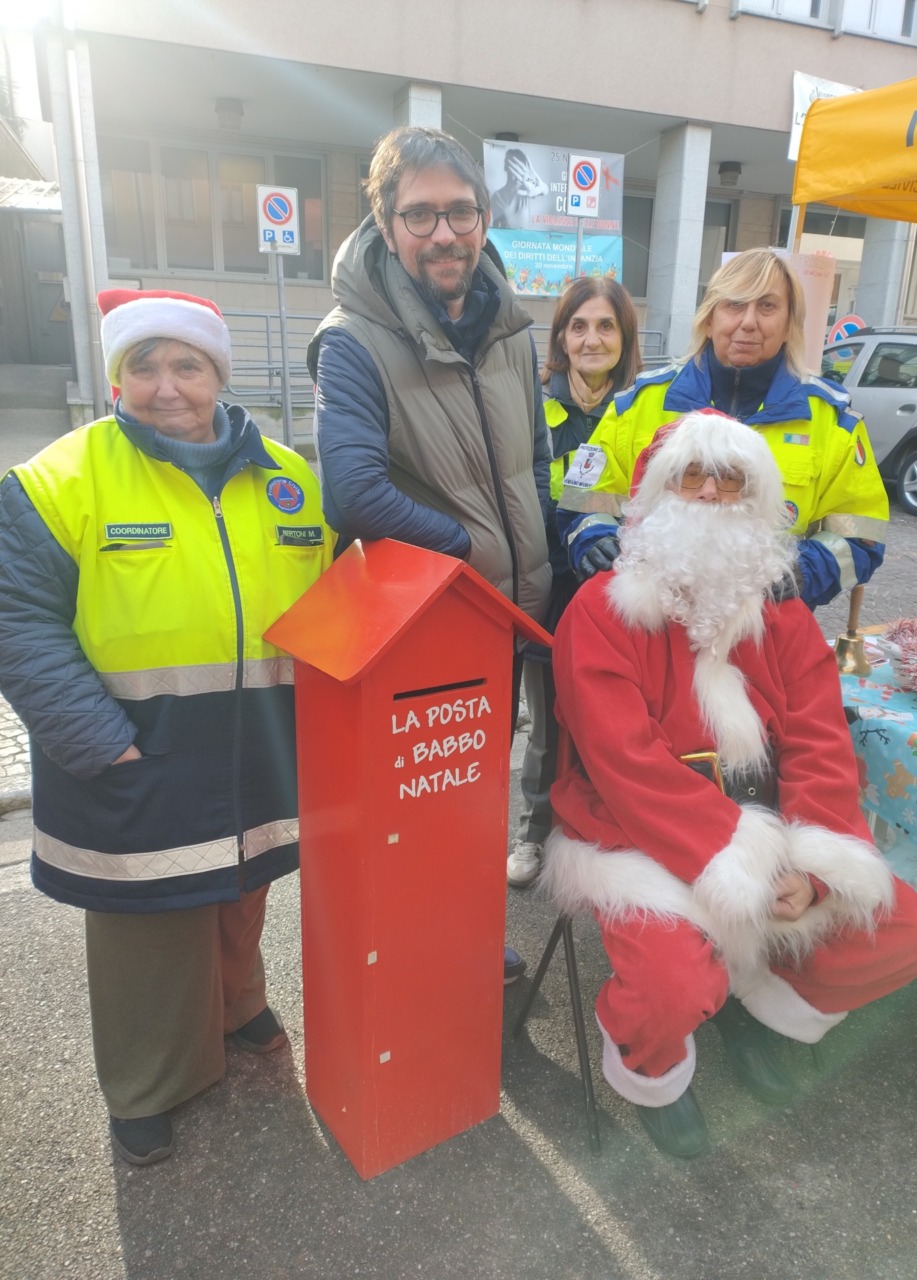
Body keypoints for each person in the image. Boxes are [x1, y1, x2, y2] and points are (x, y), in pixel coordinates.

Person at [542, 410, 917, 1159]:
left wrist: (811, 870)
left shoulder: (782, 614)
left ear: (757, 501)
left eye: (731, 480)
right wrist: (736, 859)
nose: (710, 493)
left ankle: (752, 1005)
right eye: (691, 475)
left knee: (905, 935)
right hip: (640, 833)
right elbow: (624, 763)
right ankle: (654, 1068)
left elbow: (821, 743)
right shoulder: (599, 612)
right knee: (666, 988)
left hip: (773, 828)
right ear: (656, 494)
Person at [0, 289, 334, 1167]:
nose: (166, 386)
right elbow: (17, 617)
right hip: (130, 741)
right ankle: (147, 1081)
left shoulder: (291, 479)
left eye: (187, 364)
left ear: (219, 374)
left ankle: (237, 1005)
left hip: (257, 741)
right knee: (145, 918)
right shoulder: (58, 479)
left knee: (241, 887)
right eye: (142, 366)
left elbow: (337, 597)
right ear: (118, 379)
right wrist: (95, 738)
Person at [307, 125, 552, 984]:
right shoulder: (352, 340)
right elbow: (353, 495)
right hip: (432, 623)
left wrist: (540, 555)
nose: (444, 234)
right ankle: (418, 968)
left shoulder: (512, 329)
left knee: (481, 792)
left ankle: (470, 940)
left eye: (460, 212)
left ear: (484, 218)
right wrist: (469, 555)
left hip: (507, 615)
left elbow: (535, 462)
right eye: (420, 215)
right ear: (385, 222)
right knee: (423, 802)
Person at [558, 248, 889, 610]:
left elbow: (862, 534)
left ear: (790, 324)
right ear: (709, 318)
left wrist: (805, 569)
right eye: (734, 304)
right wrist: (595, 537)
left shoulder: (832, 422)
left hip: (765, 626)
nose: (748, 322)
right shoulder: (638, 404)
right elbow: (581, 500)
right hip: (645, 624)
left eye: (767, 306)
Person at [508, 277, 641, 888]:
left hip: (622, 598)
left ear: (625, 337)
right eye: (578, 326)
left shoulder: (643, 411)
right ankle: (534, 833)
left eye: (605, 326)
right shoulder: (533, 409)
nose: (592, 339)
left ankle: (607, 833)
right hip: (551, 594)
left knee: (617, 724)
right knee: (549, 723)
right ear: (560, 338)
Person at [489, 147, 550, 230]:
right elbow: (495, 230)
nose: (519, 176)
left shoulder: (527, 191)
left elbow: (545, 190)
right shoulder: (497, 197)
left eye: (522, 170)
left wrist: (539, 189)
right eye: (515, 169)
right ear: (506, 167)